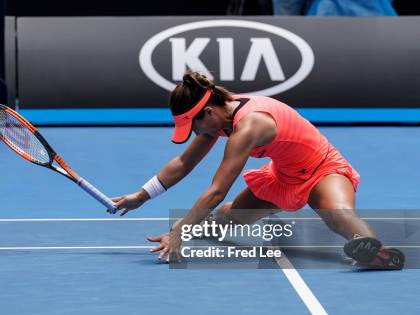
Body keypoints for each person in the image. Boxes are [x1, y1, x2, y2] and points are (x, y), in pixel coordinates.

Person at [112, 71, 404, 269]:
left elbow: (216, 190)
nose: (195, 132)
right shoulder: (220, 117)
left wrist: (177, 230)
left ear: (208, 113)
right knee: (227, 217)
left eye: (194, 125)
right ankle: (370, 249)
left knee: (338, 216)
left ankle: (377, 252)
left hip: (322, 170)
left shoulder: (250, 125)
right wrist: (142, 195)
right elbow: (183, 163)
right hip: (283, 177)